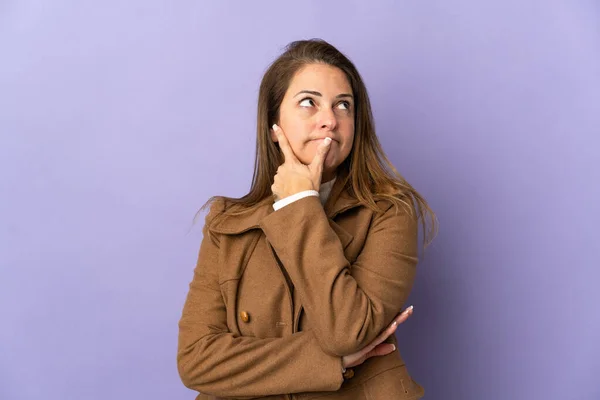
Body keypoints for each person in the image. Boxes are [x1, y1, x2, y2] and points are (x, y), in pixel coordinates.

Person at [177, 39, 437, 400]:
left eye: (343, 105)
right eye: (308, 102)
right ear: (274, 125)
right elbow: (196, 361)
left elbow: (346, 331)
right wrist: (334, 361)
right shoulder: (227, 223)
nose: (330, 119)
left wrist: (301, 201)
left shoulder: (389, 212)